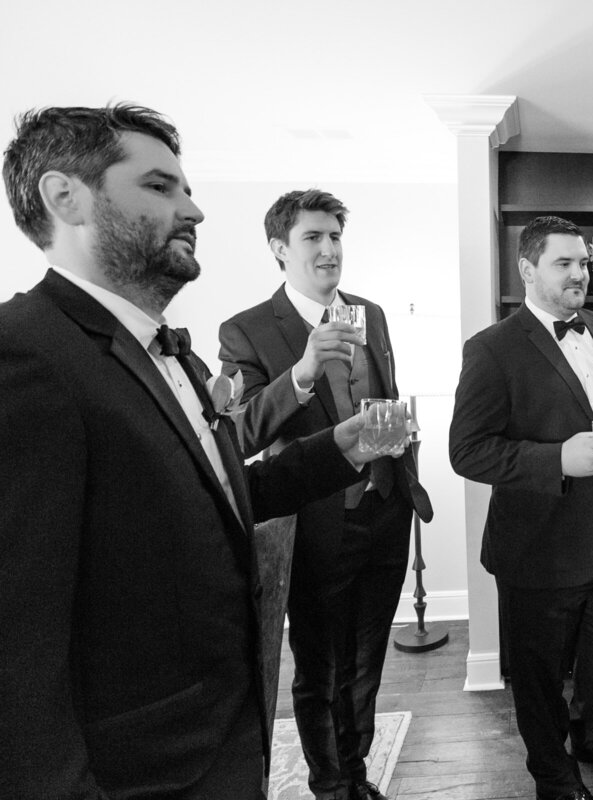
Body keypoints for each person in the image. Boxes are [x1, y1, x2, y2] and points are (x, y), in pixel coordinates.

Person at [0, 104, 393, 799]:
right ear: (65, 197)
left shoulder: (163, 351)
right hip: (148, 769)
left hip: (226, 742)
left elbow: (223, 496)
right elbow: (17, 650)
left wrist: (339, 446)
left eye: (185, 187)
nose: (195, 210)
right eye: (160, 187)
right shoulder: (24, 356)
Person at [218, 190, 432, 800]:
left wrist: (400, 434)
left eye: (336, 236)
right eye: (313, 237)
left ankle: (357, 770)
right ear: (279, 249)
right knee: (320, 669)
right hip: (317, 525)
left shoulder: (373, 313)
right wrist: (302, 374)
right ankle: (329, 785)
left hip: (386, 510)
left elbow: (381, 395)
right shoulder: (249, 330)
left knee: (367, 662)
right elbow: (238, 431)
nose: (330, 248)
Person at [449, 216, 593, 800]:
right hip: (537, 548)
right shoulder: (492, 349)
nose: (577, 274)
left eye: (582, 263)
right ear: (528, 270)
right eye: (563, 263)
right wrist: (556, 460)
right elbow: (467, 451)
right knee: (539, 680)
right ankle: (554, 778)